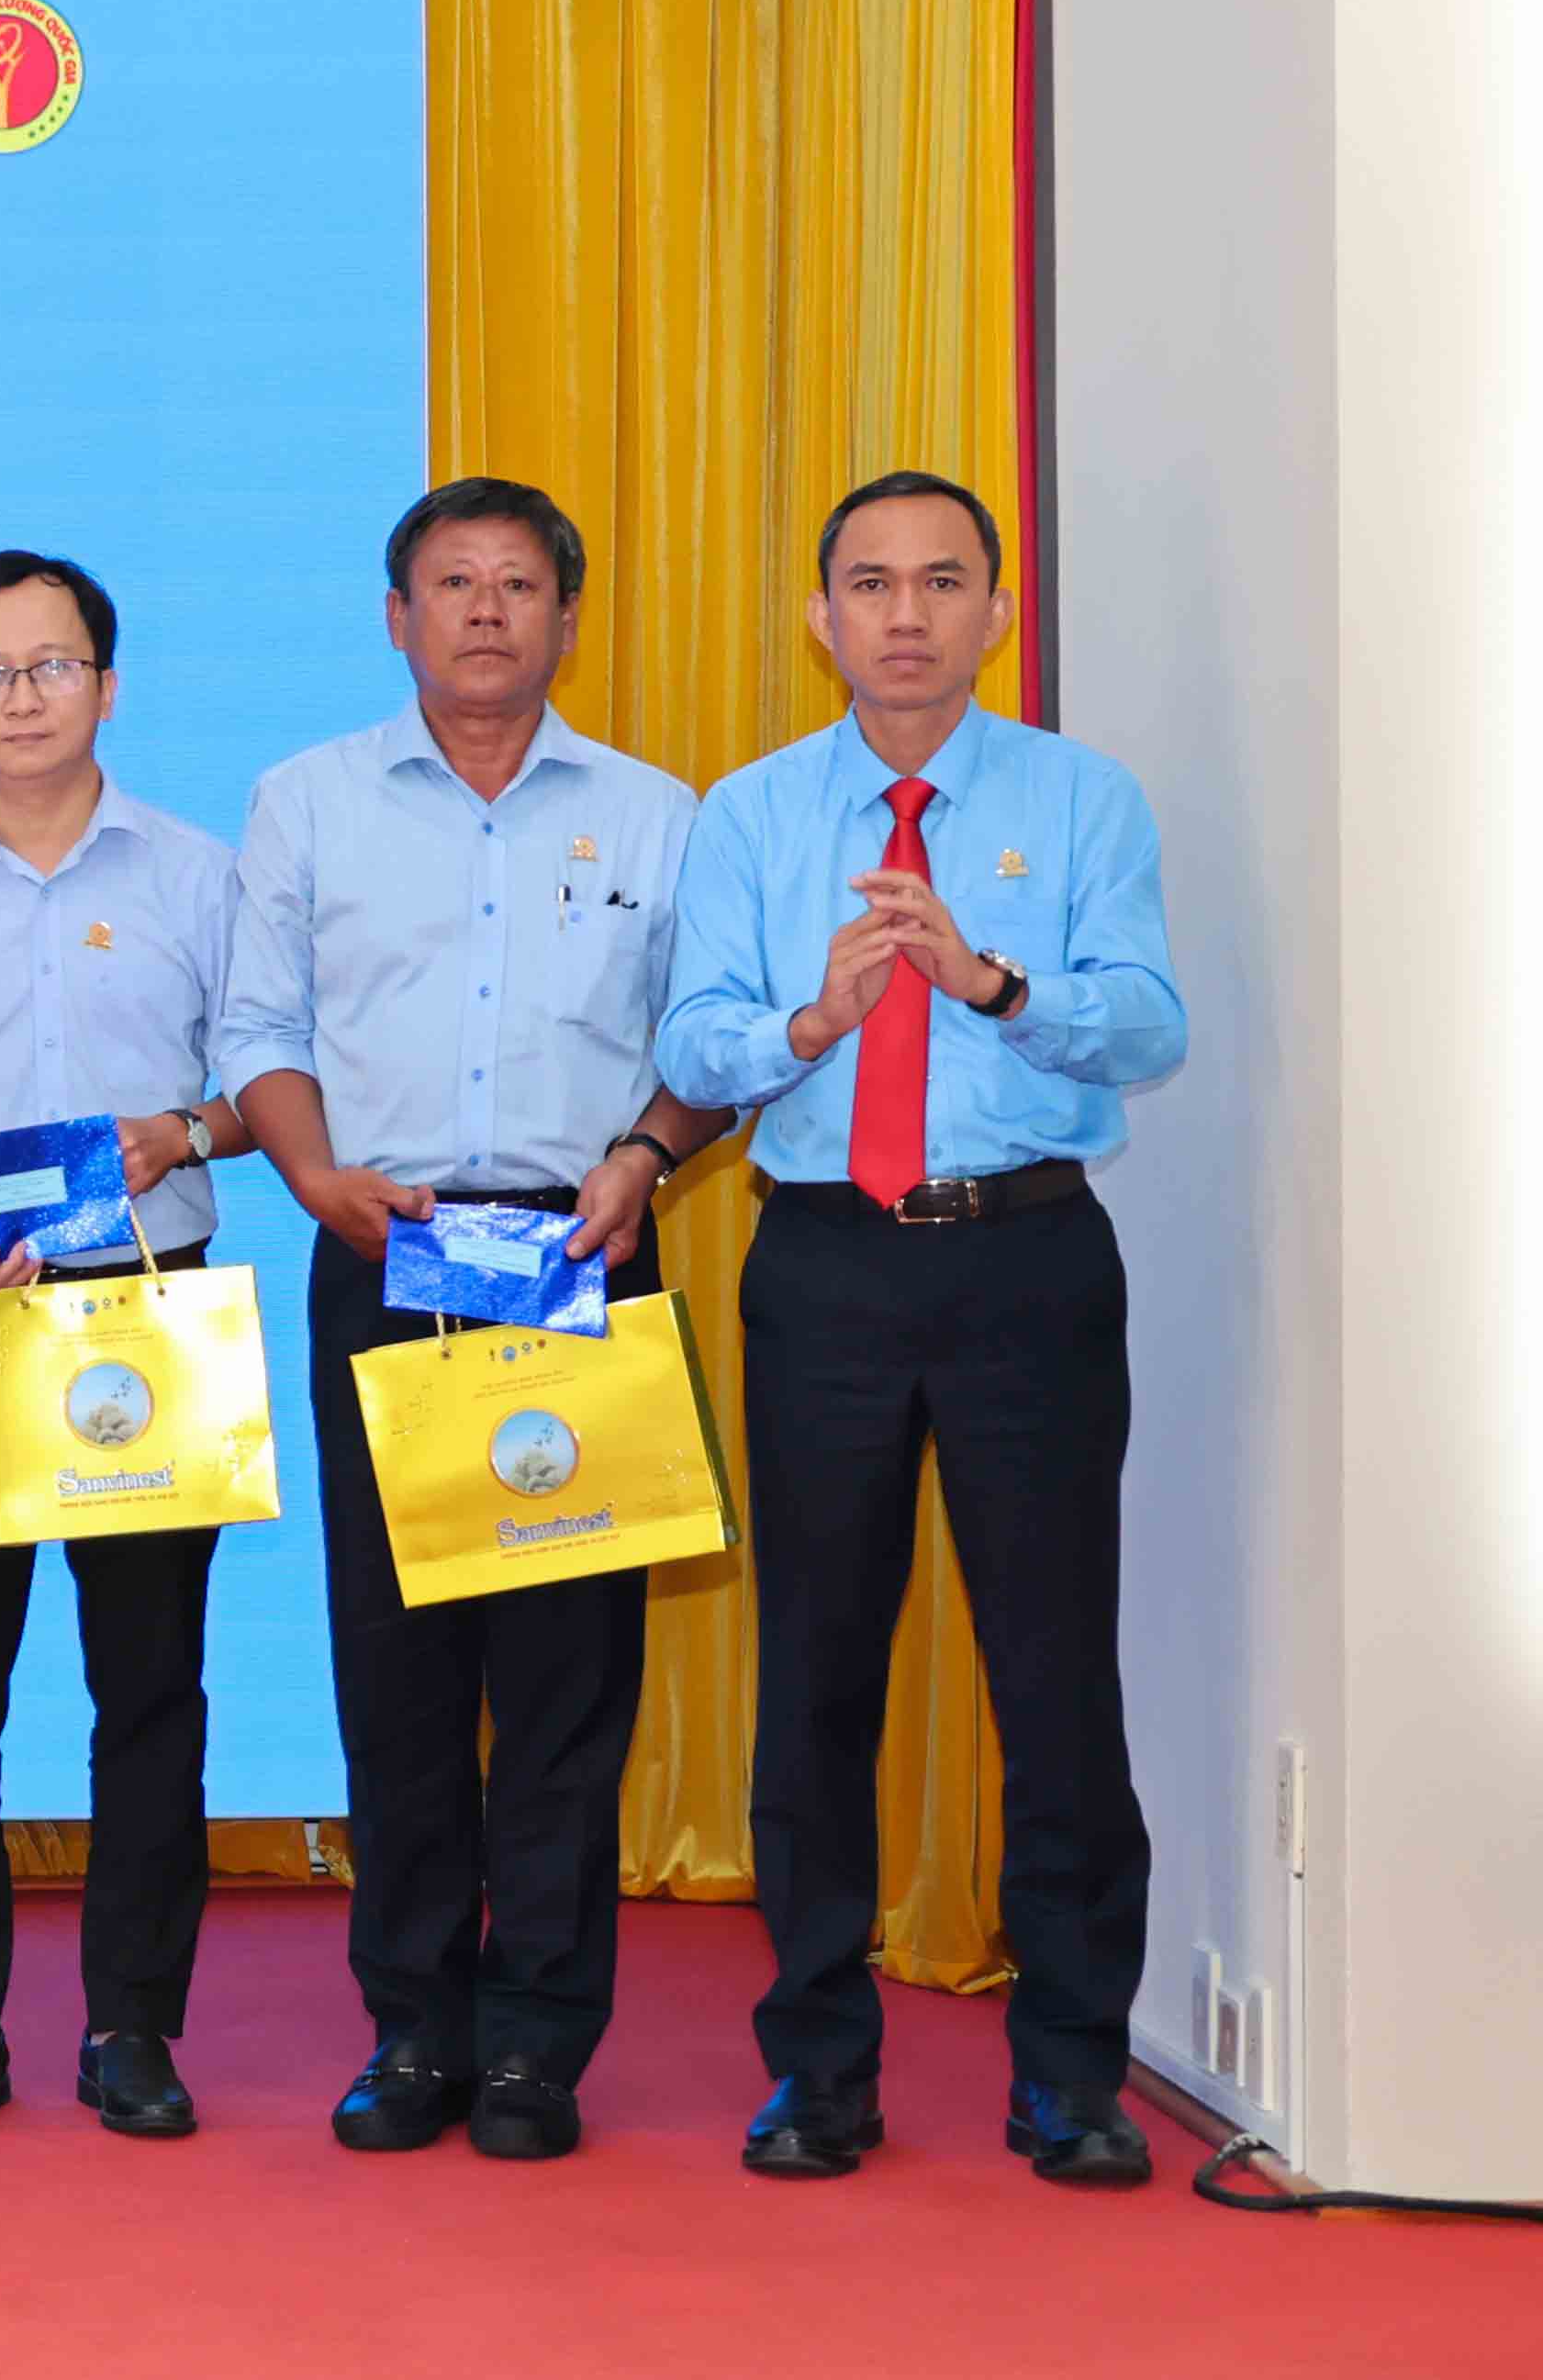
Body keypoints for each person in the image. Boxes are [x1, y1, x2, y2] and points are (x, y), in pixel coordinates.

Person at [656, 469, 1188, 2190]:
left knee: (1054, 1667)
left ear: (995, 614)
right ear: (820, 616)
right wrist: (813, 1020)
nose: (906, 614)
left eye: (943, 581)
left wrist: (993, 986)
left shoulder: (1081, 798)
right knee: (818, 1667)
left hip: (1028, 1262)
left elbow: (1151, 1026)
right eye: (871, 583)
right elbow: (694, 1040)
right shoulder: (751, 814)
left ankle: (1073, 2074)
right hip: (826, 1265)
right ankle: (819, 2069)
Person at [228, 475, 724, 2164]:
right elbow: (259, 1026)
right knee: (400, 1672)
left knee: (571, 1677)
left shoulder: (658, 816)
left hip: (580, 1252)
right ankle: (414, 2032)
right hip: (389, 1247)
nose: (488, 610)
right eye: (455, 583)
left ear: (568, 618)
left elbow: (708, 1042)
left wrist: (646, 1158)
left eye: (520, 584)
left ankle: (536, 2048)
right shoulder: (307, 802)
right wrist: (312, 1176)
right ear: (399, 617)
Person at [0, 551, 253, 2146]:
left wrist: (187, 1131)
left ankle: (132, 2025)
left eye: (52, 666)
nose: (21, 697)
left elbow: (272, 1078)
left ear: (107, 682)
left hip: (147, 1312)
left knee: (150, 1687)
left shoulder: (199, 876)